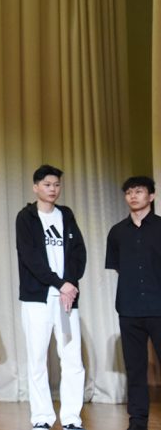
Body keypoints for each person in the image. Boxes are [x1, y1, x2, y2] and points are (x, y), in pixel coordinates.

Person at [16, 165, 87, 430]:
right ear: (36, 187)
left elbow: (79, 252)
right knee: (37, 358)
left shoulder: (66, 214)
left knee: (71, 358)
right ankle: (42, 417)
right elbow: (30, 257)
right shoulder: (26, 217)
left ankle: (71, 419)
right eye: (47, 184)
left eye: (56, 184)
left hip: (66, 301)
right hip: (37, 300)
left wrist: (69, 284)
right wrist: (60, 283)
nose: (53, 189)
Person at [106, 176, 161, 430]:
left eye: (139, 191)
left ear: (151, 196)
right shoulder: (117, 232)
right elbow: (119, 267)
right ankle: (138, 423)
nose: (133, 196)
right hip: (129, 309)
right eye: (129, 192)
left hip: (159, 307)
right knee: (135, 369)